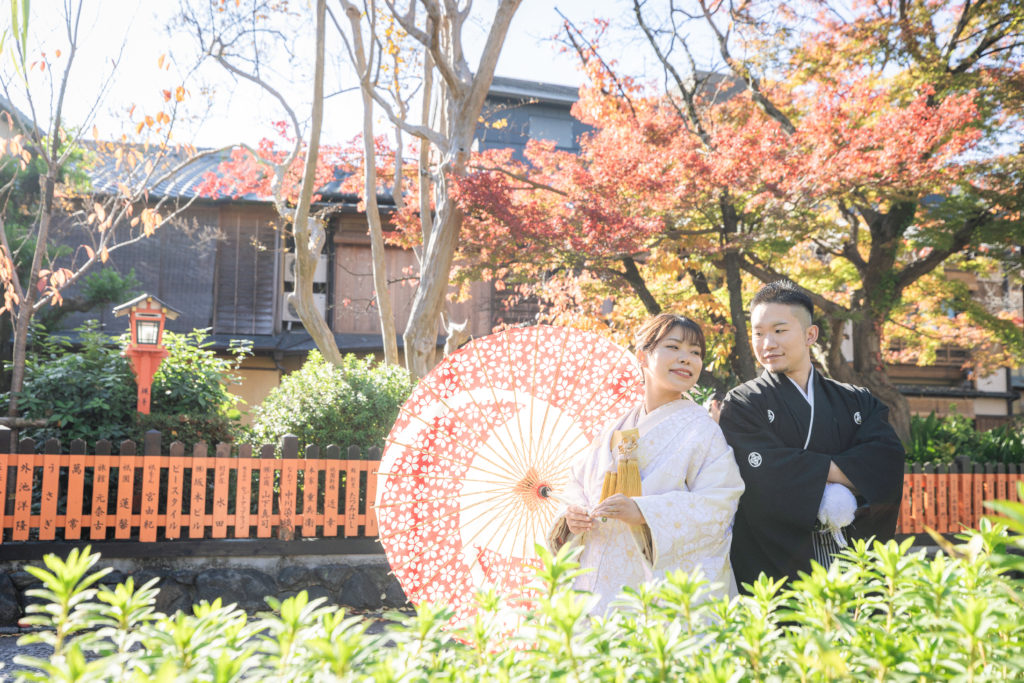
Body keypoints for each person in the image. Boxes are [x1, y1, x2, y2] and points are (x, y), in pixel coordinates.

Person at [547, 313, 745, 614]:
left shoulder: (701, 430)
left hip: (655, 589)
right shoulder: (614, 427)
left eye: (695, 353)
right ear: (643, 356)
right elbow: (578, 485)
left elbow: (719, 504)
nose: (687, 359)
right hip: (599, 581)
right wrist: (570, 518)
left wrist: (645, 512)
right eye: (674, 347)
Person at [718, 280, 905, 592]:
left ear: (810, 334)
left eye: (779, 330)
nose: (767, 343)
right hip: (777, 562)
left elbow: (886, 459)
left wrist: (811, 469)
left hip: (850, 552)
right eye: (758, 333)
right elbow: (762, 473)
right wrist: (843, 471)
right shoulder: (743, 403)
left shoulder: (857, 400)